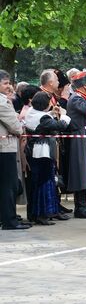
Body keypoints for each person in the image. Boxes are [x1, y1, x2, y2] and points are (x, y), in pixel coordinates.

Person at [24, 92, 71, 225]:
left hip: (32, 150)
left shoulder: (31, 112)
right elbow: (60, 126)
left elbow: (41, 120)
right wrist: (64, 115)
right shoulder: (43, 118)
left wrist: (50, 113)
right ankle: (42, 214)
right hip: (42, 151)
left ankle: (35, 213)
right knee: (45, 182)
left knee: (35, 183)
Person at [0, 70, 30, 230]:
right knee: (8, 186)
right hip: (5, 149)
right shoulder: (2, 102)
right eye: (5, 83)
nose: (9, 86)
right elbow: (16, 127)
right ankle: (9, 220)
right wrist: (20, 128)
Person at [66, 71, 86, 219]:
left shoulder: (83, 97)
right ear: (85, 86)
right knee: (81, 172)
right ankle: (80, 206)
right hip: (79, 137)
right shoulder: (75, 99)